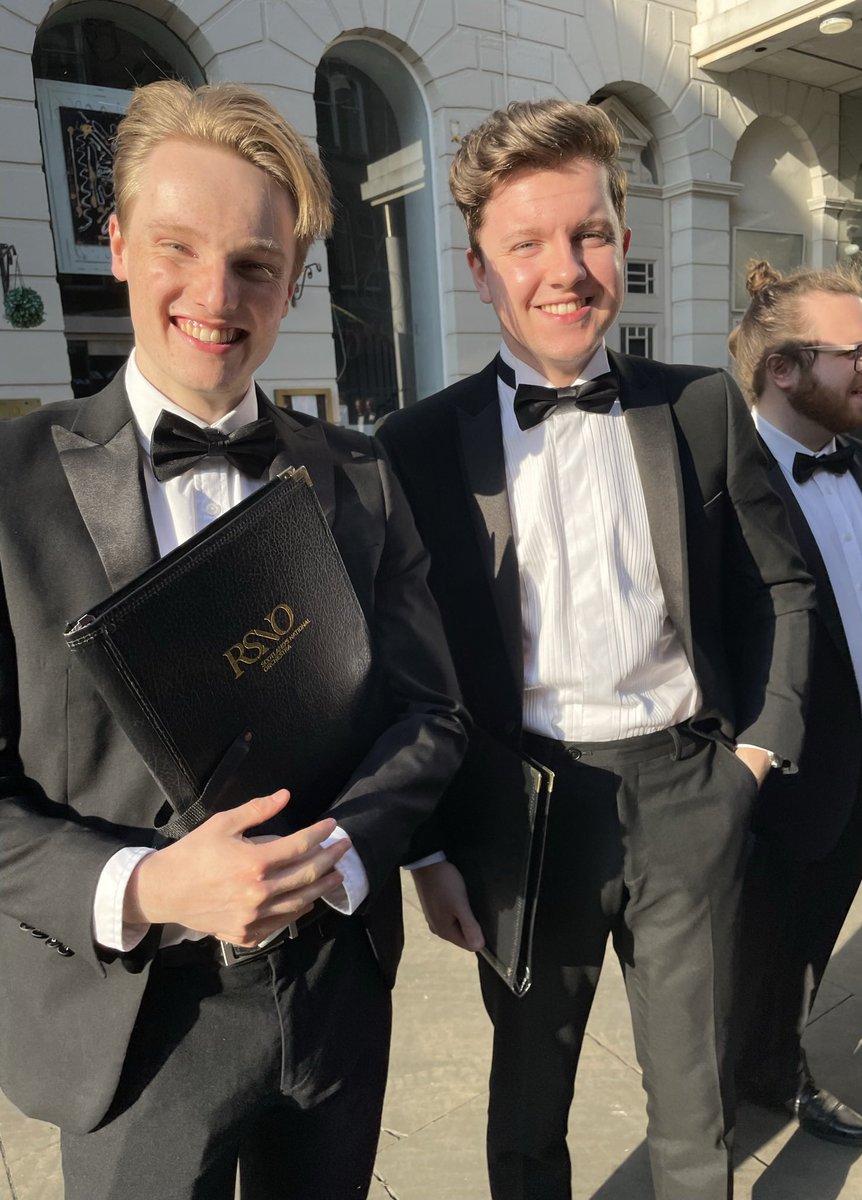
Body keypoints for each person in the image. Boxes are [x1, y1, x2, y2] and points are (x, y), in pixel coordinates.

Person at [0, 80, 467, 1200]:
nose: (216, 295)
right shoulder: (9, 488)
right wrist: (148, 885)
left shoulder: (359, 474)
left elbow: (431, 713)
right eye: (179, 247)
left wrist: (344, 851)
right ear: (118, 246)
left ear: (294, 283)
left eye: (257, 264)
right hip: (137, 1022)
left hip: (339, 987)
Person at [376, 99, 814, 1200]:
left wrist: (756, 755)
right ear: (480, 270)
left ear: (622, 238)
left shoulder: (703, 407)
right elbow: (399, 658)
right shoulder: (415, 447)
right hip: (518, 814)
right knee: (527, 1111)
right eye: (527, 244)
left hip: (688, 787)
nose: (566, 271)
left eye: (591, 234)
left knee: (697, 1111)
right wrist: (426, 851)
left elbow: (783, 585)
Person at [728, 260, 862, 1146]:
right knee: (749, 953)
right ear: (784, 369)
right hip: (773, 770)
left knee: (815, 936)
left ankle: (776, 1067)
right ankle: (719, 1098)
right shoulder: (719, 484)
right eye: (855, 352)